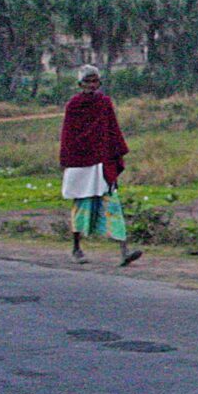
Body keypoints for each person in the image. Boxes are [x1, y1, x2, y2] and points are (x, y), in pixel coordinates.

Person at [59, 65, 141, 267]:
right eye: (87, 81)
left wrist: (115, 155)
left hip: (102, 163)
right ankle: (76, 249)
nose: (91, 85)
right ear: (80, 84)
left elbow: (112, 130)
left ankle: (124, 251)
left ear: (99, 83)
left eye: (94, 81)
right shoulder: (74, 105)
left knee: (113, 205)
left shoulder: (104, 103)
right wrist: (67, 161)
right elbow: (68, 136)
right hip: (81, 164)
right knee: (81, 207)